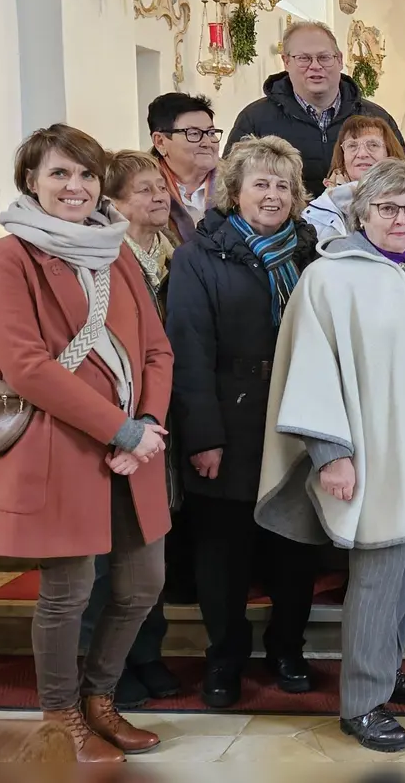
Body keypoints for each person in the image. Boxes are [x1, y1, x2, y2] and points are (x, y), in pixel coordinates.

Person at [255, 159, 405, 753]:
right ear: (362, 213)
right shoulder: (330, 280)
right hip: (370, 455)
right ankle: (361, 702)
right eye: (388, 208)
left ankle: (384, 669)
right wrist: (332, 453)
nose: (401, 219)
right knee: (378, 575)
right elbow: (310, 369)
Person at [0, 125, 173, 763]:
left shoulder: (115, 249)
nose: (76, 187)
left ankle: (100, 698)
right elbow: (26, 366)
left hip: (133, 448)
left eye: (87, 175)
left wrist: (145, 423)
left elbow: (155, 349)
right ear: (32, 182)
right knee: (67, 592)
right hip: (57, 445)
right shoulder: (8, 258)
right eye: (60, 174)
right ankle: (59, 715)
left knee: (142, 584)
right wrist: (117, 429)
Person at [166, 135, 322, 709]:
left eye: (284, 185)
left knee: (293, 543)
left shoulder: (312, 254)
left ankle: (288, 649)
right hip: (229, 415)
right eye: (261, 183)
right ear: (233, 191)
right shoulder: (199, 256)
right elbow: (187, 348)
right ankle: (225, 658)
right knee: (224, 549)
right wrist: (203, 435)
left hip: (297, 413)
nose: (273, 194)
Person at [70, 151, 184, 710]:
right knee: (103, 558)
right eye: (144, 190)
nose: (159, 197)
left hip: (154, 419)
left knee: (148, 543)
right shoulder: (101, 256)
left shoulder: (171, 253)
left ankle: (147, 654)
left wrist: (153, 419)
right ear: (114, 203)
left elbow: (161, 347)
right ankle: (101, 667)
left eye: (161, 188)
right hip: (105, 424)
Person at [224, 21, 405, 197]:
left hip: (362, 225)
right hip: (282, 228)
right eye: (303, 58)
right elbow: (230, 185)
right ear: (286, 62)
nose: (315, 66)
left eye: (324, 57)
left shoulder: (375, 117)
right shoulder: (255, 118)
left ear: (339, 60)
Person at [303, 115, 405, 241]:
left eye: (373, 145)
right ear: (342, 156)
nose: (362, 154)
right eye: (352, 146)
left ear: (389, 152)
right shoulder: (316, 214)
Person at [146, 91, 217, 241]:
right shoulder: (140, 190)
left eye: (210, 132)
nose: (207, 143)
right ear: (160, 142)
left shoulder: (238, 183)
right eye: (193, 133)